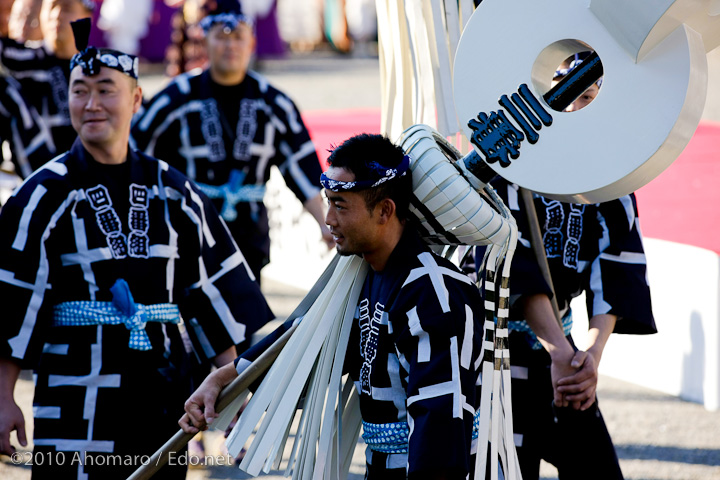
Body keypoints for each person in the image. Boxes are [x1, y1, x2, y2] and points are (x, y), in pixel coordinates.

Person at [0, 18, 274, 479]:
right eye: (79, 91)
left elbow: (209, 289)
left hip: (162, 386)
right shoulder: (43, 194)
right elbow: (11, 295)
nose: (91, 105)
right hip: (75, 390)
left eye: (106, 90)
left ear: (136, 99)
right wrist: (2, 397)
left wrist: (232, 385)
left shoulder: (174, 191)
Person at [180, 133, 487, 479]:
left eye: (340, 205)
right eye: (328, 202)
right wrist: (224, 377)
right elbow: (306, 342)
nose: (328, 219)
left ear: (385, 210)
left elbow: (440, 421)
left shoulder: (434, 293)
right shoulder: (363, 276)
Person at [471, 57, 657, 478]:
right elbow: (508, 263)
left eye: (588, 97)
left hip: (565, 352)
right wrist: (559, 351)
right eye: (565, 96)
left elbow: (619, 262)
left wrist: (589, 356)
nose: (575, 109)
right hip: (497, 349)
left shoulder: (607, 170)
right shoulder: (508, 156)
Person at [133, 0, 333, 284]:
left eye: (238, 36)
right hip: (188, 232)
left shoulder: (273, 103)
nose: (230, 46)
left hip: (249, 233)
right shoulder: (176, 98)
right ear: (205, 40)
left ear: (252, 42)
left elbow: (300, 163)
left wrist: (324, 222)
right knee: (192, 323)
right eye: (221, 37)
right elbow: (135, 154)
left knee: (243, 322)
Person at [0, 0, 94, 175]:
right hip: (35, 184)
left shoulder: (102, 71)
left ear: (87, 16)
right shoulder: (22, 60)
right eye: (51, 7)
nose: (56, 15)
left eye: (66, 8)